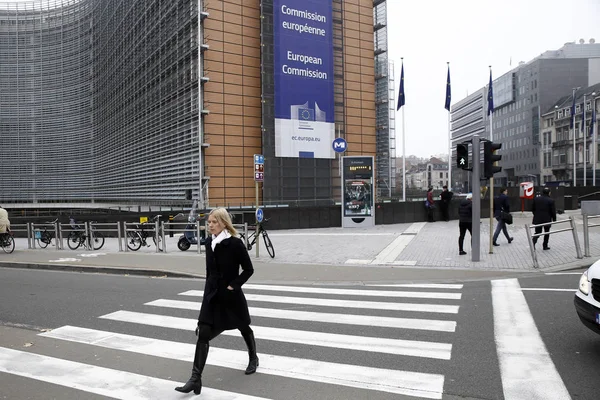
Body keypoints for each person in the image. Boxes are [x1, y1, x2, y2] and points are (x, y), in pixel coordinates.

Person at [175, 207, 257, 395]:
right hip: (212, 296)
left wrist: (232, 286)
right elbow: (209, 273)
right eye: (209, 222)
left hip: (230, 296)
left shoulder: (235, 244)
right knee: (203, 333)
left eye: (214, 222)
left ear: (223, 223)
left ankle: (253, 358)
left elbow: (248, 269)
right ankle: (195, 379)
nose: (210, 225)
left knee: (243, 326)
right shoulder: (208, 242)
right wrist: (205, 298)